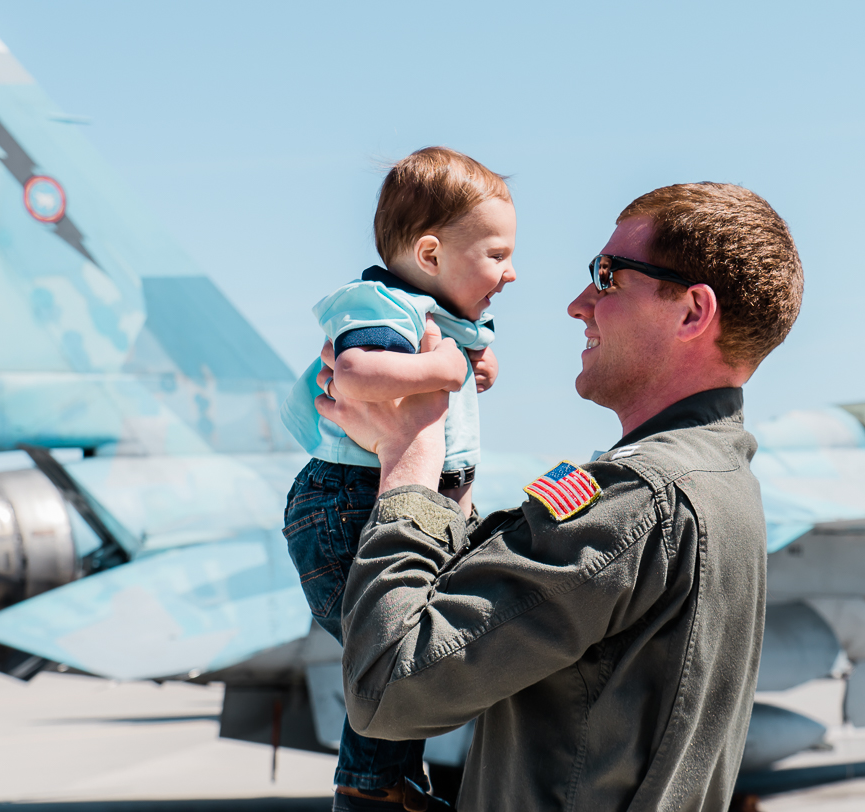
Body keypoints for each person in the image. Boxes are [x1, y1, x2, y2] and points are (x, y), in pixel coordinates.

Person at [316, 183, 803, 811]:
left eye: (608, 277)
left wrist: (409, 459)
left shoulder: (638, 501)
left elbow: (385, 688)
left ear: (691, 312)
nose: (579, 305)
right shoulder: (720, 481)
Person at [278, 146, 517, 810]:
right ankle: (369, 785)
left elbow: (462, 358)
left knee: (402, 653)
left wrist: (473, 356)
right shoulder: (380, 305)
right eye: (495, 254)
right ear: (433, 255)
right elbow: (356, 373)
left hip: (415, 506)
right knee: (393, 650)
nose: (512, 271)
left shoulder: (433, 315)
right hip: (353, 505)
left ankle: (387, 779)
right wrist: (444, 371)